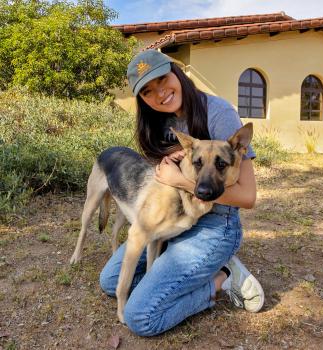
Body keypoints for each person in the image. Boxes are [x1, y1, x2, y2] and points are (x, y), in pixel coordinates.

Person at [100, 49, 264, 336]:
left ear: (177, 72)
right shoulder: (161, 122)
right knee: (109, 280)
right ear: (142, 100)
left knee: (140, 317)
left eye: (163, 79)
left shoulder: (219, 113)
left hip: (216, 223)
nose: (160, 93)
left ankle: (223, 277)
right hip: (178, 218)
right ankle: (187, 271)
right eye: (148, 92)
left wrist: (183, 182)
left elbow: (248, 196)